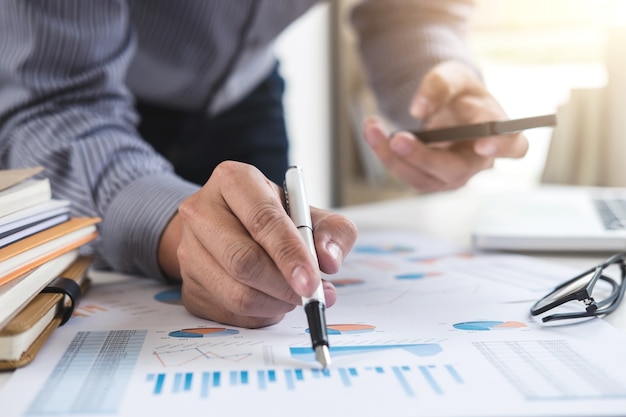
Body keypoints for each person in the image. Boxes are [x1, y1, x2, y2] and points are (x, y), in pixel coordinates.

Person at [0, 1, 527, 329]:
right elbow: (52, 104)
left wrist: (436, 78)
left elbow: (406, 11)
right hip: (87, 114)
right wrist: (172, 226)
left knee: (267, 280)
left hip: (246, 95)